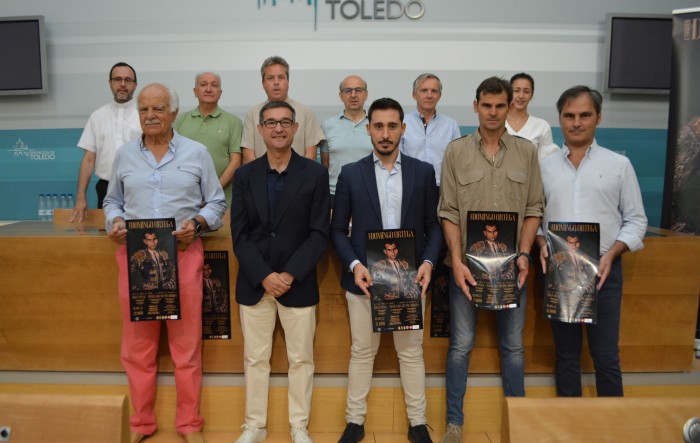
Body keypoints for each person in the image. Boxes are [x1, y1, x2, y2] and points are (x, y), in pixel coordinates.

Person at [103, 83, 226, 443]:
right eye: (144, 109)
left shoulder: (197, 153)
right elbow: (112, 203)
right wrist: (116, 222)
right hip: (135, 261)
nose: (151, 115)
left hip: (185, 258)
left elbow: (216, 204)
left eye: (158, 108)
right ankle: (141, 424)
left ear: (174, 113)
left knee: (186, 350)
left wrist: (198, 224)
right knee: (137, 350)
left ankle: (189, 425)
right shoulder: (125, 155)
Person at [331, 97, 442, 443]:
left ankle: (418, 422)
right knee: (362, 351)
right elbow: (336, 229)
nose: (385, 133)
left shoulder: (423, 172)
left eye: (392, 126)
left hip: (411, 280)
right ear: (368, 129)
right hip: (365, 280)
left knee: (410, 352)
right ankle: (354, 422)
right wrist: (355, 265)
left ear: (403, 129)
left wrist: (427, 263)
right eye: (378, 126)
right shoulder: (351, 173)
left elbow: (434, 226)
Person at [438, 77, 544, 443]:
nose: (494, 112)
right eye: (487, 105)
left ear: (510, 106)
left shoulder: (527, 152)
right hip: (466, 268)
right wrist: (456, 259)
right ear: (476, 106)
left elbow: (533, 207)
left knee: (513, 347)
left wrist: (526, 254)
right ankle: (454, 423)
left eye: (501, 106)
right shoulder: (455, 152)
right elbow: (448, 210)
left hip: (513, 268)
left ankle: (519, 421)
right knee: (461, 345)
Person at [536, 85, 647, 397]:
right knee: (566, 357)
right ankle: (571, 428)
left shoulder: (618, 165)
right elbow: (536, 216)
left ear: (598, 117)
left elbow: (637, 220)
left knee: (606, 357)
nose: (576, 122)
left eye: (585, 115)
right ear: (559, 119)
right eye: (569, 115)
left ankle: (610, 431)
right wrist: (541, 242)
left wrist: (613, 252)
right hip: (560, 272)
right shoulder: (544, 167)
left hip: (604, 272)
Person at [230, 101, 330, 443]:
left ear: (296, 128)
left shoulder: (315, 174)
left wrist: (288, 274)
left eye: (285, 122)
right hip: (255, 283)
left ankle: (299, 426)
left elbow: (320, 234)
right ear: (259, 130)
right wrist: (264, 275)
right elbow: (239, 235)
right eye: (270, 122)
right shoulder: (245, 175)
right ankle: (254, 426)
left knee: (301, 359)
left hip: (297, 283)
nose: (278, 128)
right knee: (255, 359)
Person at [70, 62, 141, 222]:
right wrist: (81, 197)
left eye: (128, 80)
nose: (122, 84)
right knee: (108, 238)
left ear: (135, 85)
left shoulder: (144, 115)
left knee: (142, 238)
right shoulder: (97, 116)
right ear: (110, 83)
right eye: (117, 79)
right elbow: (88, 159)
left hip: (140, 188)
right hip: (106, 189)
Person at [174, 72, 243, 207]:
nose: (209, 89)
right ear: (195, 91)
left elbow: (235, 162)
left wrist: (213, 191)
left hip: (224, 200)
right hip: (185, 199)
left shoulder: (234, 122)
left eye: (214, 85)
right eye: (203, 85)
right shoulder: (179, 121)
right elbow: (172, 158)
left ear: (220, 92)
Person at [241, 56, 325, 163]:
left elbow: (311, 155)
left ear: (288, 81)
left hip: (299, 178)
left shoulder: (305, 112)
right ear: (263, 83)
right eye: (270, 78)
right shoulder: (253, 114)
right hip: (262, 178)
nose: (276, 82)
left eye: (281, 77)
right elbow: (248, 156)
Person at [319, 75, 373, 206]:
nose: (353, 95)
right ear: (341, 96)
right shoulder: (328, 125)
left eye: (358, 90)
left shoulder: (375, 125)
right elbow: (326, 165)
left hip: (370, 193)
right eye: (348, 91)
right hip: (335, 194)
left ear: (366, 95)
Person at [401, 73, 461, 187]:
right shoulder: (402, 123)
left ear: (439, 96)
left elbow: (457, 162)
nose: (429, 95)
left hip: (442, 188)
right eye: (424, 91)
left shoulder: (451, 125)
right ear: (414, 95)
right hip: (410, 186)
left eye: (434, 91)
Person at [505, 72, 559, 160]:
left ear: (531, 95)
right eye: (517, 91)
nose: (521, 96)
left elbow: (547, 162)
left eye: (526, 91)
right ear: (509, 93)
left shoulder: (542, 126)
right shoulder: (498, 123)